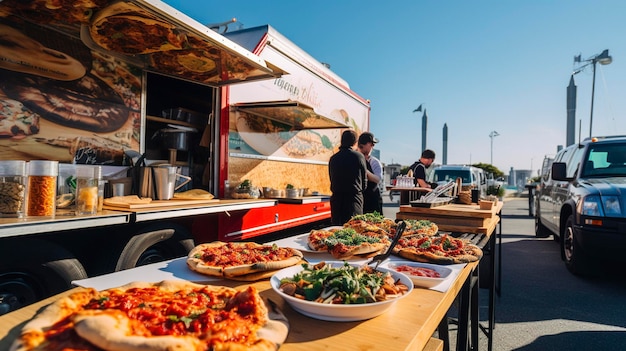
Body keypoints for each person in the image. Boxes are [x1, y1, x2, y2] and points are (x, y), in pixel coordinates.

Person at [328, 129, 367, 225]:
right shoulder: (359, 156)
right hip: (353, 199)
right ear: (354, 142)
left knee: (337, 230)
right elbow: (364, 182)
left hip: (337, 199)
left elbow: (331, 178)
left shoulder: (333, 158)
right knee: (353, 230)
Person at [358, 131, 383, 214]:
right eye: (372, 144)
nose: (373, 146)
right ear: (367, 144)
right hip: (359, 198)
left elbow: (377, 179)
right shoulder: (354, 158)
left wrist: (365, 171)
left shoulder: (374, 162)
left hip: (372, 199)